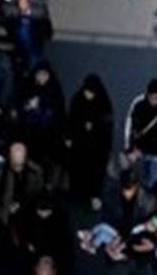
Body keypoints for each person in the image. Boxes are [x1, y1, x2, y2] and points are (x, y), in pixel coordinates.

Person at [65, 74, 114, 211]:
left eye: (91, 92)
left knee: (96, 174)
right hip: (79, 145)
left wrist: (94, 127)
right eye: (86, 91)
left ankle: (94, 196)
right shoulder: (77, 100)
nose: (88, 95)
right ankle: (78, 196)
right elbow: (70, 120)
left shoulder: (104, 104)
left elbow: (107, 127)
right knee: (78, 171)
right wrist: (69, 137)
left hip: (97, 148)